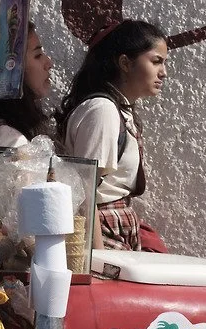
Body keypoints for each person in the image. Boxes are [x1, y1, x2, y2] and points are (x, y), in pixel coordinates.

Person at [55, 20, 168, 250]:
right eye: (156, 61)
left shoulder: (117, 110)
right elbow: (86, 195)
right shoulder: (103, 111)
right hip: (102, 234)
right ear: (125, 63)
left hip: (115, 229)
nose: (163, 72)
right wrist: (97, 258)